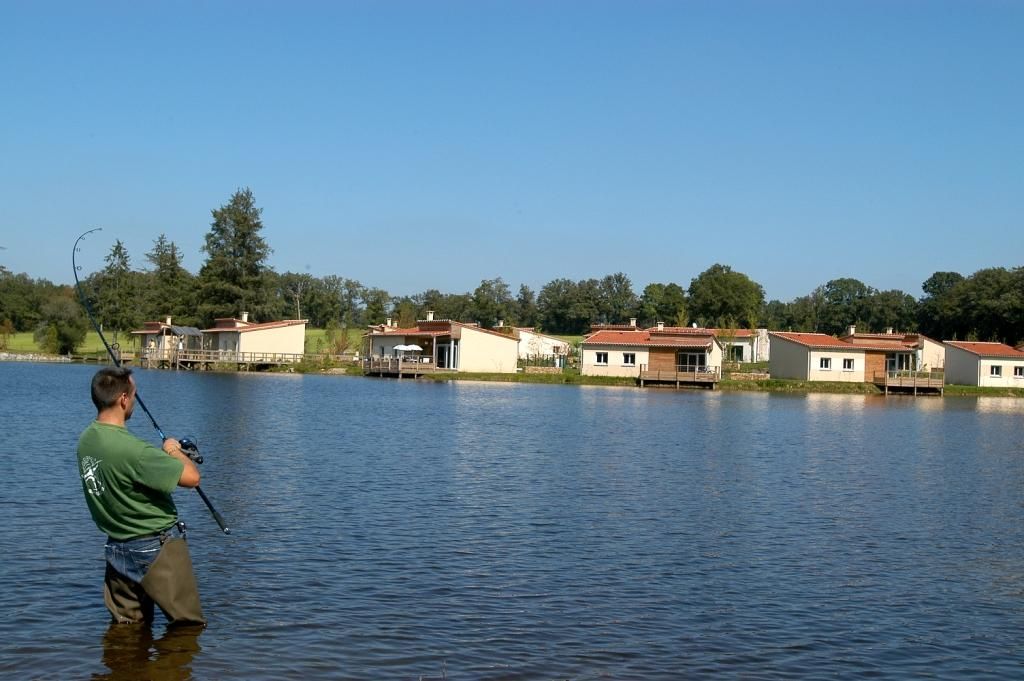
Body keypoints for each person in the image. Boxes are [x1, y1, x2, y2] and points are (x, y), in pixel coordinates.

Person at [77, 366, 206, 626]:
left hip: (116, 545)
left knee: (127, 628)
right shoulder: (136, 451)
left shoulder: (86, 440)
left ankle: (124, 655)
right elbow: (192, 478)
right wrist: (172, 449)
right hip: (154, 547)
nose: (135, 400)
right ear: (123, 399)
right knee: (188, 626)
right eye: (134, 394)